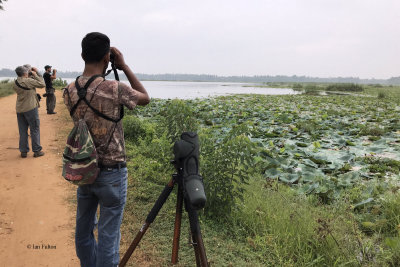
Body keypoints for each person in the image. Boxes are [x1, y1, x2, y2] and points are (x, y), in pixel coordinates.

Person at [63, 32, 150, 267]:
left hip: (84, 170)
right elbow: (145, 98)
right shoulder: (114, 88)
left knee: (83, 231)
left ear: (82, 55)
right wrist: (123, 66)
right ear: (107, 58)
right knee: (108, 238)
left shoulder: (69, 91)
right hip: (112, 173)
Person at [13, 65, 45, 158]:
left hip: (20, 109)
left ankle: (23, 151)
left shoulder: (15, 82)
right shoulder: (29, 81)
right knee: (34, 129)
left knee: (22, 131)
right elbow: (42, 84)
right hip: (30, 108)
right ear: (24, 73)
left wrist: (30, 74)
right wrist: (36, 74)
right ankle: (37, 151)